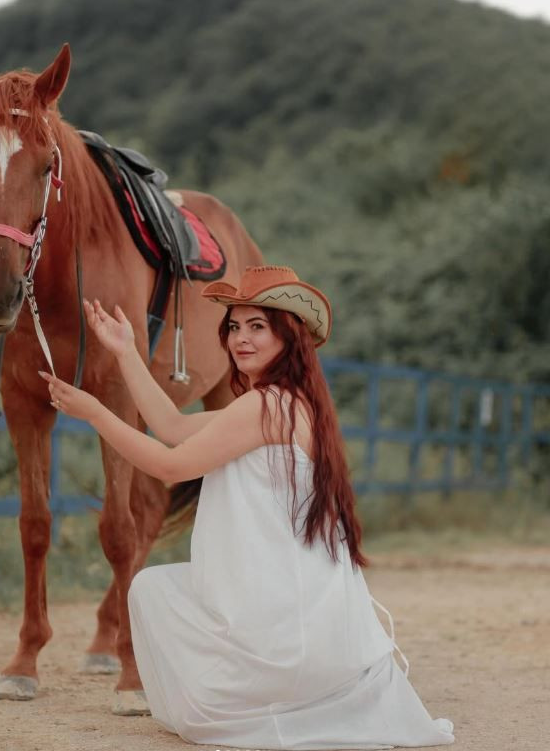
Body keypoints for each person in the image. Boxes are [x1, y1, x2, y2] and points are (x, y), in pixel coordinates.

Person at [40, 265, 455, 750]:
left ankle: (257, 698)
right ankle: (270, 694)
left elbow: (170, 465)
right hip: (298, 606)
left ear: (288, 336)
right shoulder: (288, 402)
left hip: (277, 611)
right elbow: (173, 427)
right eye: (235, 326)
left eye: (258, 326)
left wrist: (95, 413)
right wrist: (127, 351)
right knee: (155, 588)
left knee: (156, 599)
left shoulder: (265, 407)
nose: (241, 338)